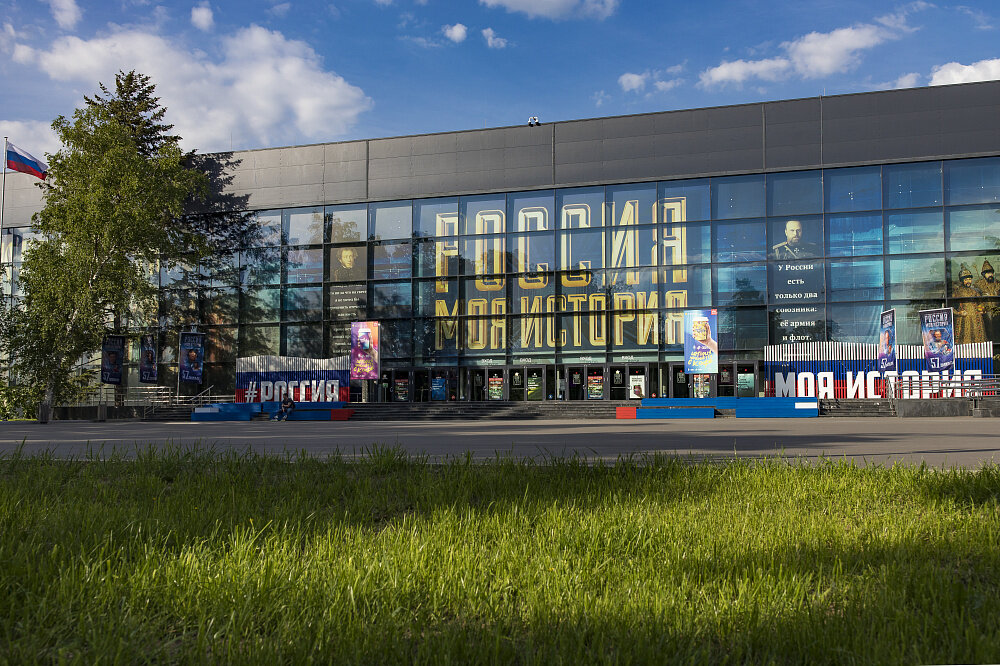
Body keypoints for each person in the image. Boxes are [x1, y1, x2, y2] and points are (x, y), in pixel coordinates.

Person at [953, 265, 987, 344]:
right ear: (962, 281)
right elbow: (951, 307)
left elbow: (980, 302)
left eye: (969, 279)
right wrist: (959, 313)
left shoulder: (975, 291)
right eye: (966, 279)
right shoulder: (957, 292)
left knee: (978, 342)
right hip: (964, 319)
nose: (968, 281)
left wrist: (981, 310)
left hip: (976, 319)